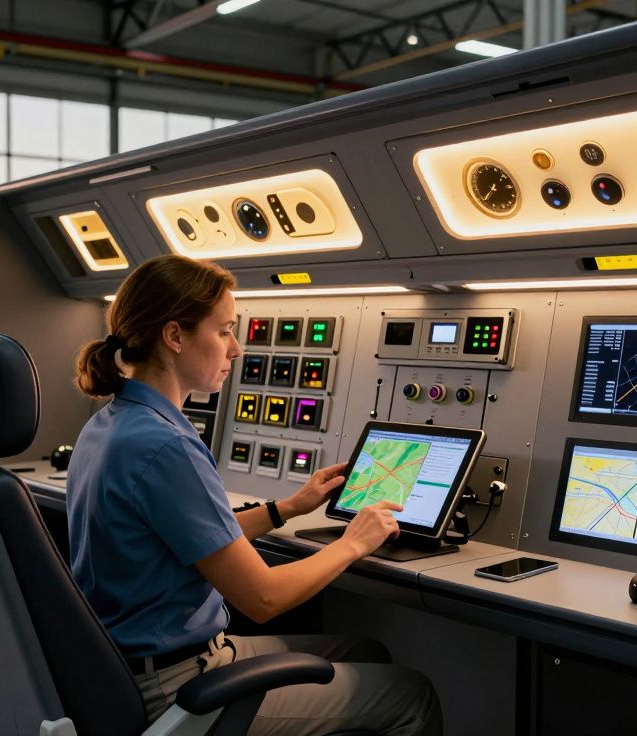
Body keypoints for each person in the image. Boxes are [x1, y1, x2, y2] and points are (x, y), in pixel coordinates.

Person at [67, 254, 443, 735]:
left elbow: (189, 539)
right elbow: (263, 598)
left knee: (365, 652)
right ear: (175, 336)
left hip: (135, 663)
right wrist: (356, 542)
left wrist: (285, 508)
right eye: (223, 331)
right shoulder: (166, 446)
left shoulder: (114, 423)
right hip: (175, 685)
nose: (237, 349)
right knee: (411, 694)